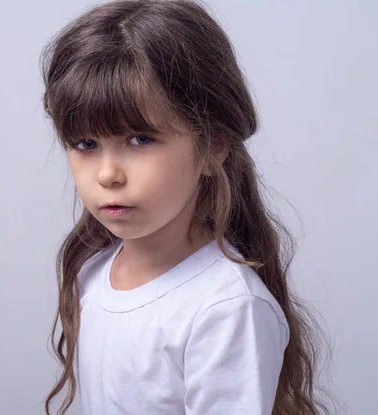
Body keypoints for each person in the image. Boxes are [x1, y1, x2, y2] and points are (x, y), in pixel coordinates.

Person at [40, 1, 329, 414]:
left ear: (212, 145)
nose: (107, 174)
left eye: (140, 139)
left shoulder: (226, 311)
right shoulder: (93, 271)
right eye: (86, 144)